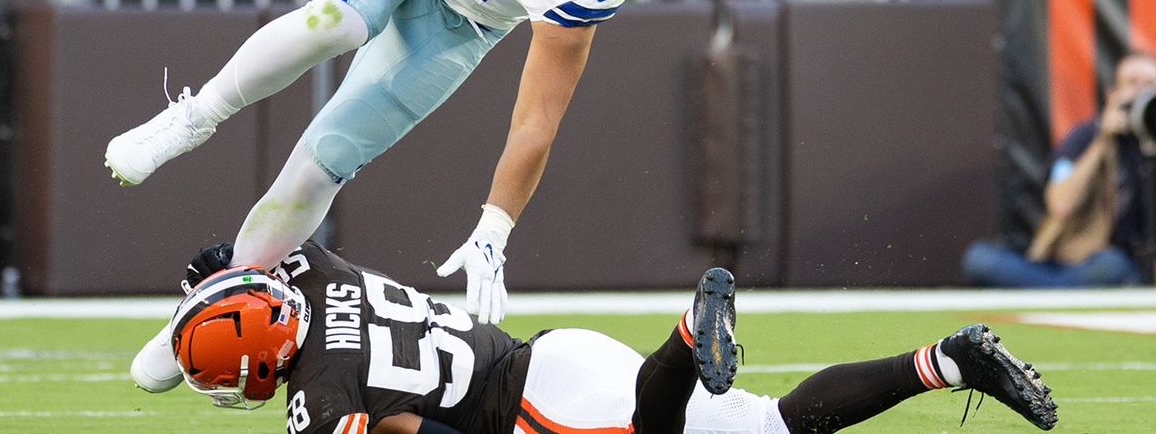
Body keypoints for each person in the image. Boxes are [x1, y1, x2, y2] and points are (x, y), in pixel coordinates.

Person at [111, 0, 641, 386]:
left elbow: (538, 116)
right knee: (343, 19)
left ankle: (202, 312)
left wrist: (495, 228)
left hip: (460, 26)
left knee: (327, 159)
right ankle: (192, 118)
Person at [158, 240, 1058, 434]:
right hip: (558, 354)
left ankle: (683, 334)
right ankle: (947, 361)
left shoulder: (321, 401)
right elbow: (246, 255)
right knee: (779, 427)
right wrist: (218, 273)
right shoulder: (314, 271)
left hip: (538, 410)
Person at [964, 51, 1156, 287]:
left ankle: (1044, 291)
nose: (1141, 92)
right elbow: (1060, 205)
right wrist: (1102, 142)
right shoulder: (1084, 137)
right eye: (1132, 83)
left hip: (1122, 267)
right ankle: (1058, 289)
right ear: (1112, 93)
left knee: (1114, 266)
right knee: (980, 259)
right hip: (1076, 262)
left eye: (1150, 84)